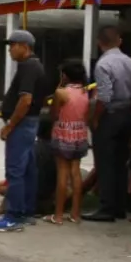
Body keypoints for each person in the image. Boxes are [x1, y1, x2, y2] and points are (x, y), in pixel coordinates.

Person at [0, 30, 50, 233]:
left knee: (15, 171)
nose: (10, 49)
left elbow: (25, 100)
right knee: (28, 169)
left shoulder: (29, 67)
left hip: (22, 124)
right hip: (28, 124)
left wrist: (10, 125)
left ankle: (13, 215)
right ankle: (26, 212)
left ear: (25, 46)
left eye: (13, 45)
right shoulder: (33, 65)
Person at [83, 25, 131, 223]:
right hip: (126, 114)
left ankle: (106, 207)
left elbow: (104, 96)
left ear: (100, 43)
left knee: (105, 162)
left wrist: (96, 118)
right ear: (119, 41)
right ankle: (120, 206)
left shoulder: (103, 65)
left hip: (109, 115)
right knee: (121, 162)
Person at [47, 60, 89, 225]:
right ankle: (75, 214)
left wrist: (59, 86)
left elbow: (54, 114)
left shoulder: (61, 93)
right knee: (76, 173)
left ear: (65, 75)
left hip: (63, 134)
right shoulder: (86, 91)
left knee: (63, 174)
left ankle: (58, 215)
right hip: (80, 134)